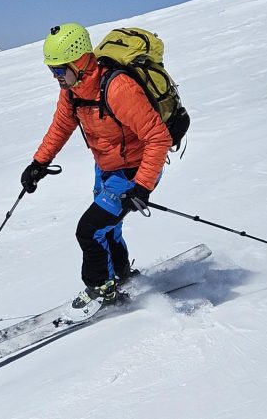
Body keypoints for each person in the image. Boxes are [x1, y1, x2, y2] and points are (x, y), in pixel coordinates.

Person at [21, 23, 172, 308]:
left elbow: (158, 137)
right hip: (106, 167)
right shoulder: (73, 89)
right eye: (51, 70)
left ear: (78, 61)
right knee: (107, 228)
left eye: (59, 69)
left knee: (89, 230)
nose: (55, 77)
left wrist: (142, 186)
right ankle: (119, 275)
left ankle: (100, 289)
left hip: (135, 170)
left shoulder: (118, 89)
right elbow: (62, 125)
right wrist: (38, 163)